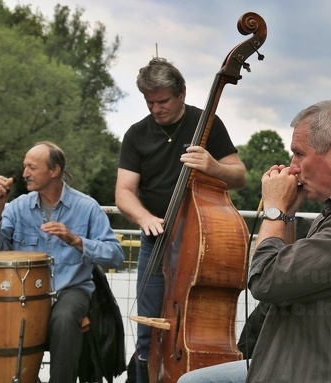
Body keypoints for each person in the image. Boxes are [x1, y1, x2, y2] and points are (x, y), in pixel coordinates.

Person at [177, 99, 331, 382]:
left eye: (299, 154)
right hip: (312, 359)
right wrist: (286, 216)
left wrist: (274, 210)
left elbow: (266, 280)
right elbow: (285, 278)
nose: (293, 168)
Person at [0, 141, 125, 383]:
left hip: (68, 291)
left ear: (54, 170)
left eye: (32, 167)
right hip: (17, 295)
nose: (24, 173)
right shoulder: (17, 207)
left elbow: (115, 255)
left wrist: (75, 240)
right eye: (25, 166)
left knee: (65, 317)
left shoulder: (87, 207)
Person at [115, 57, 246, 382]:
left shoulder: (207, 124)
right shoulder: (136, 134)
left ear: (182, 93)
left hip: (201, 238)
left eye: (163, 101)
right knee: (148, 327)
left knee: (194, 325)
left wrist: (212, 167)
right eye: (150, 102)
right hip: (155, 240)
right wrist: (144, 217)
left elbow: (239, 176)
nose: (156, 108)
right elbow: (124, 193)